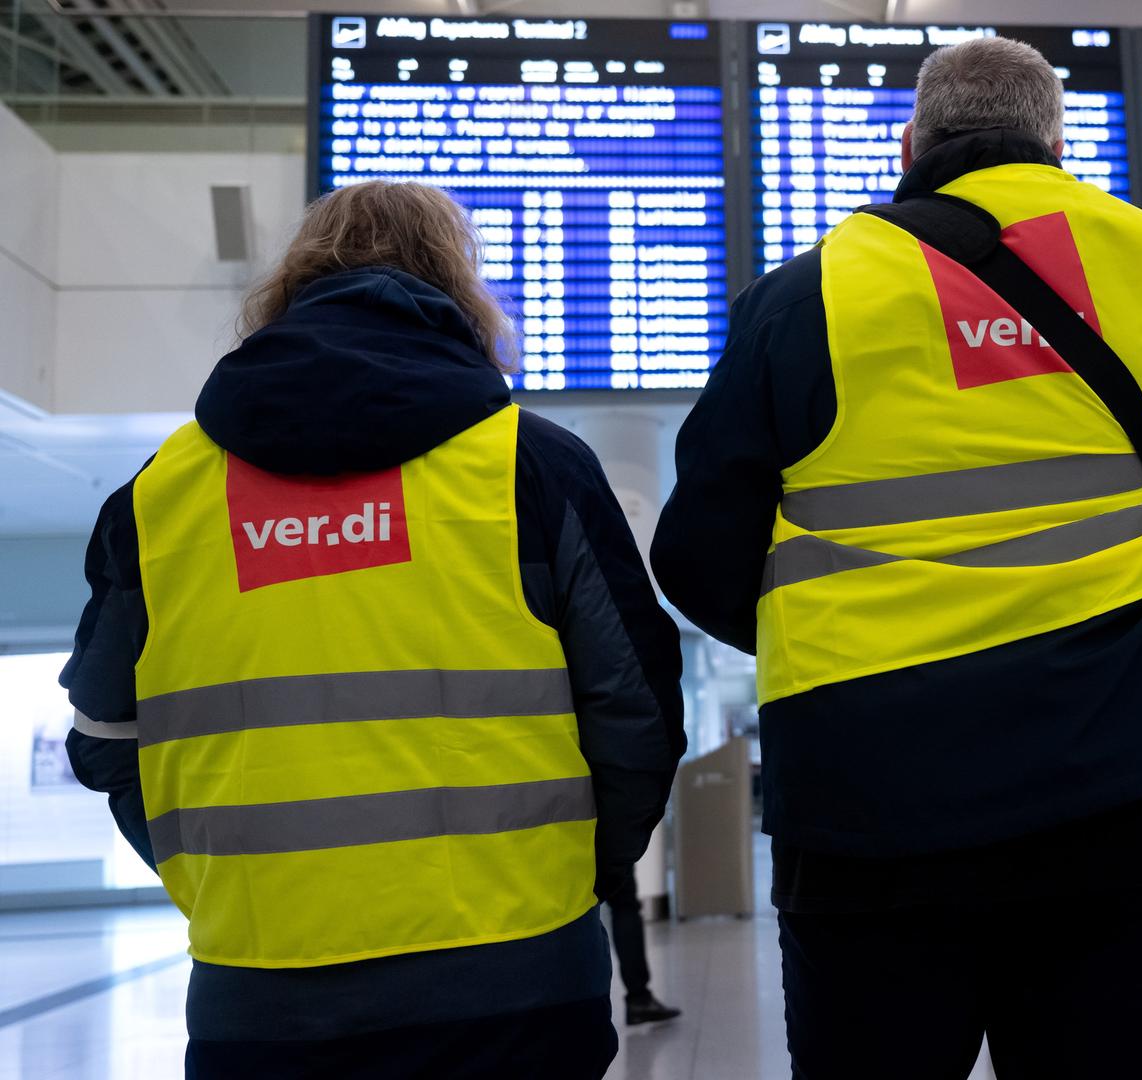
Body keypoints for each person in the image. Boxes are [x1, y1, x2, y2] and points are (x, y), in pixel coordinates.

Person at [652, 35, 1142, 1080]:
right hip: (1118, 771)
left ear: (912, 143)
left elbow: (696, 554)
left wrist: (827, 615)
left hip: (874, 792)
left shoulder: (809, 294)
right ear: (1053, 141)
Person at [61, 181, 687, 1080]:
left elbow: (106, 742)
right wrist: (569, 875)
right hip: (516, 980)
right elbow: (640, 716)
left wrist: (218, 883)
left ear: (290, 287)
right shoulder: (531, 467)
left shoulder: (159, 499)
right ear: (454, 287)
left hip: (260, 992)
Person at [601, 858, 682, 1025]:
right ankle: (639, 1000)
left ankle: (565, 1006)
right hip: (602, 840)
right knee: (624, 905)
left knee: (577, 914)